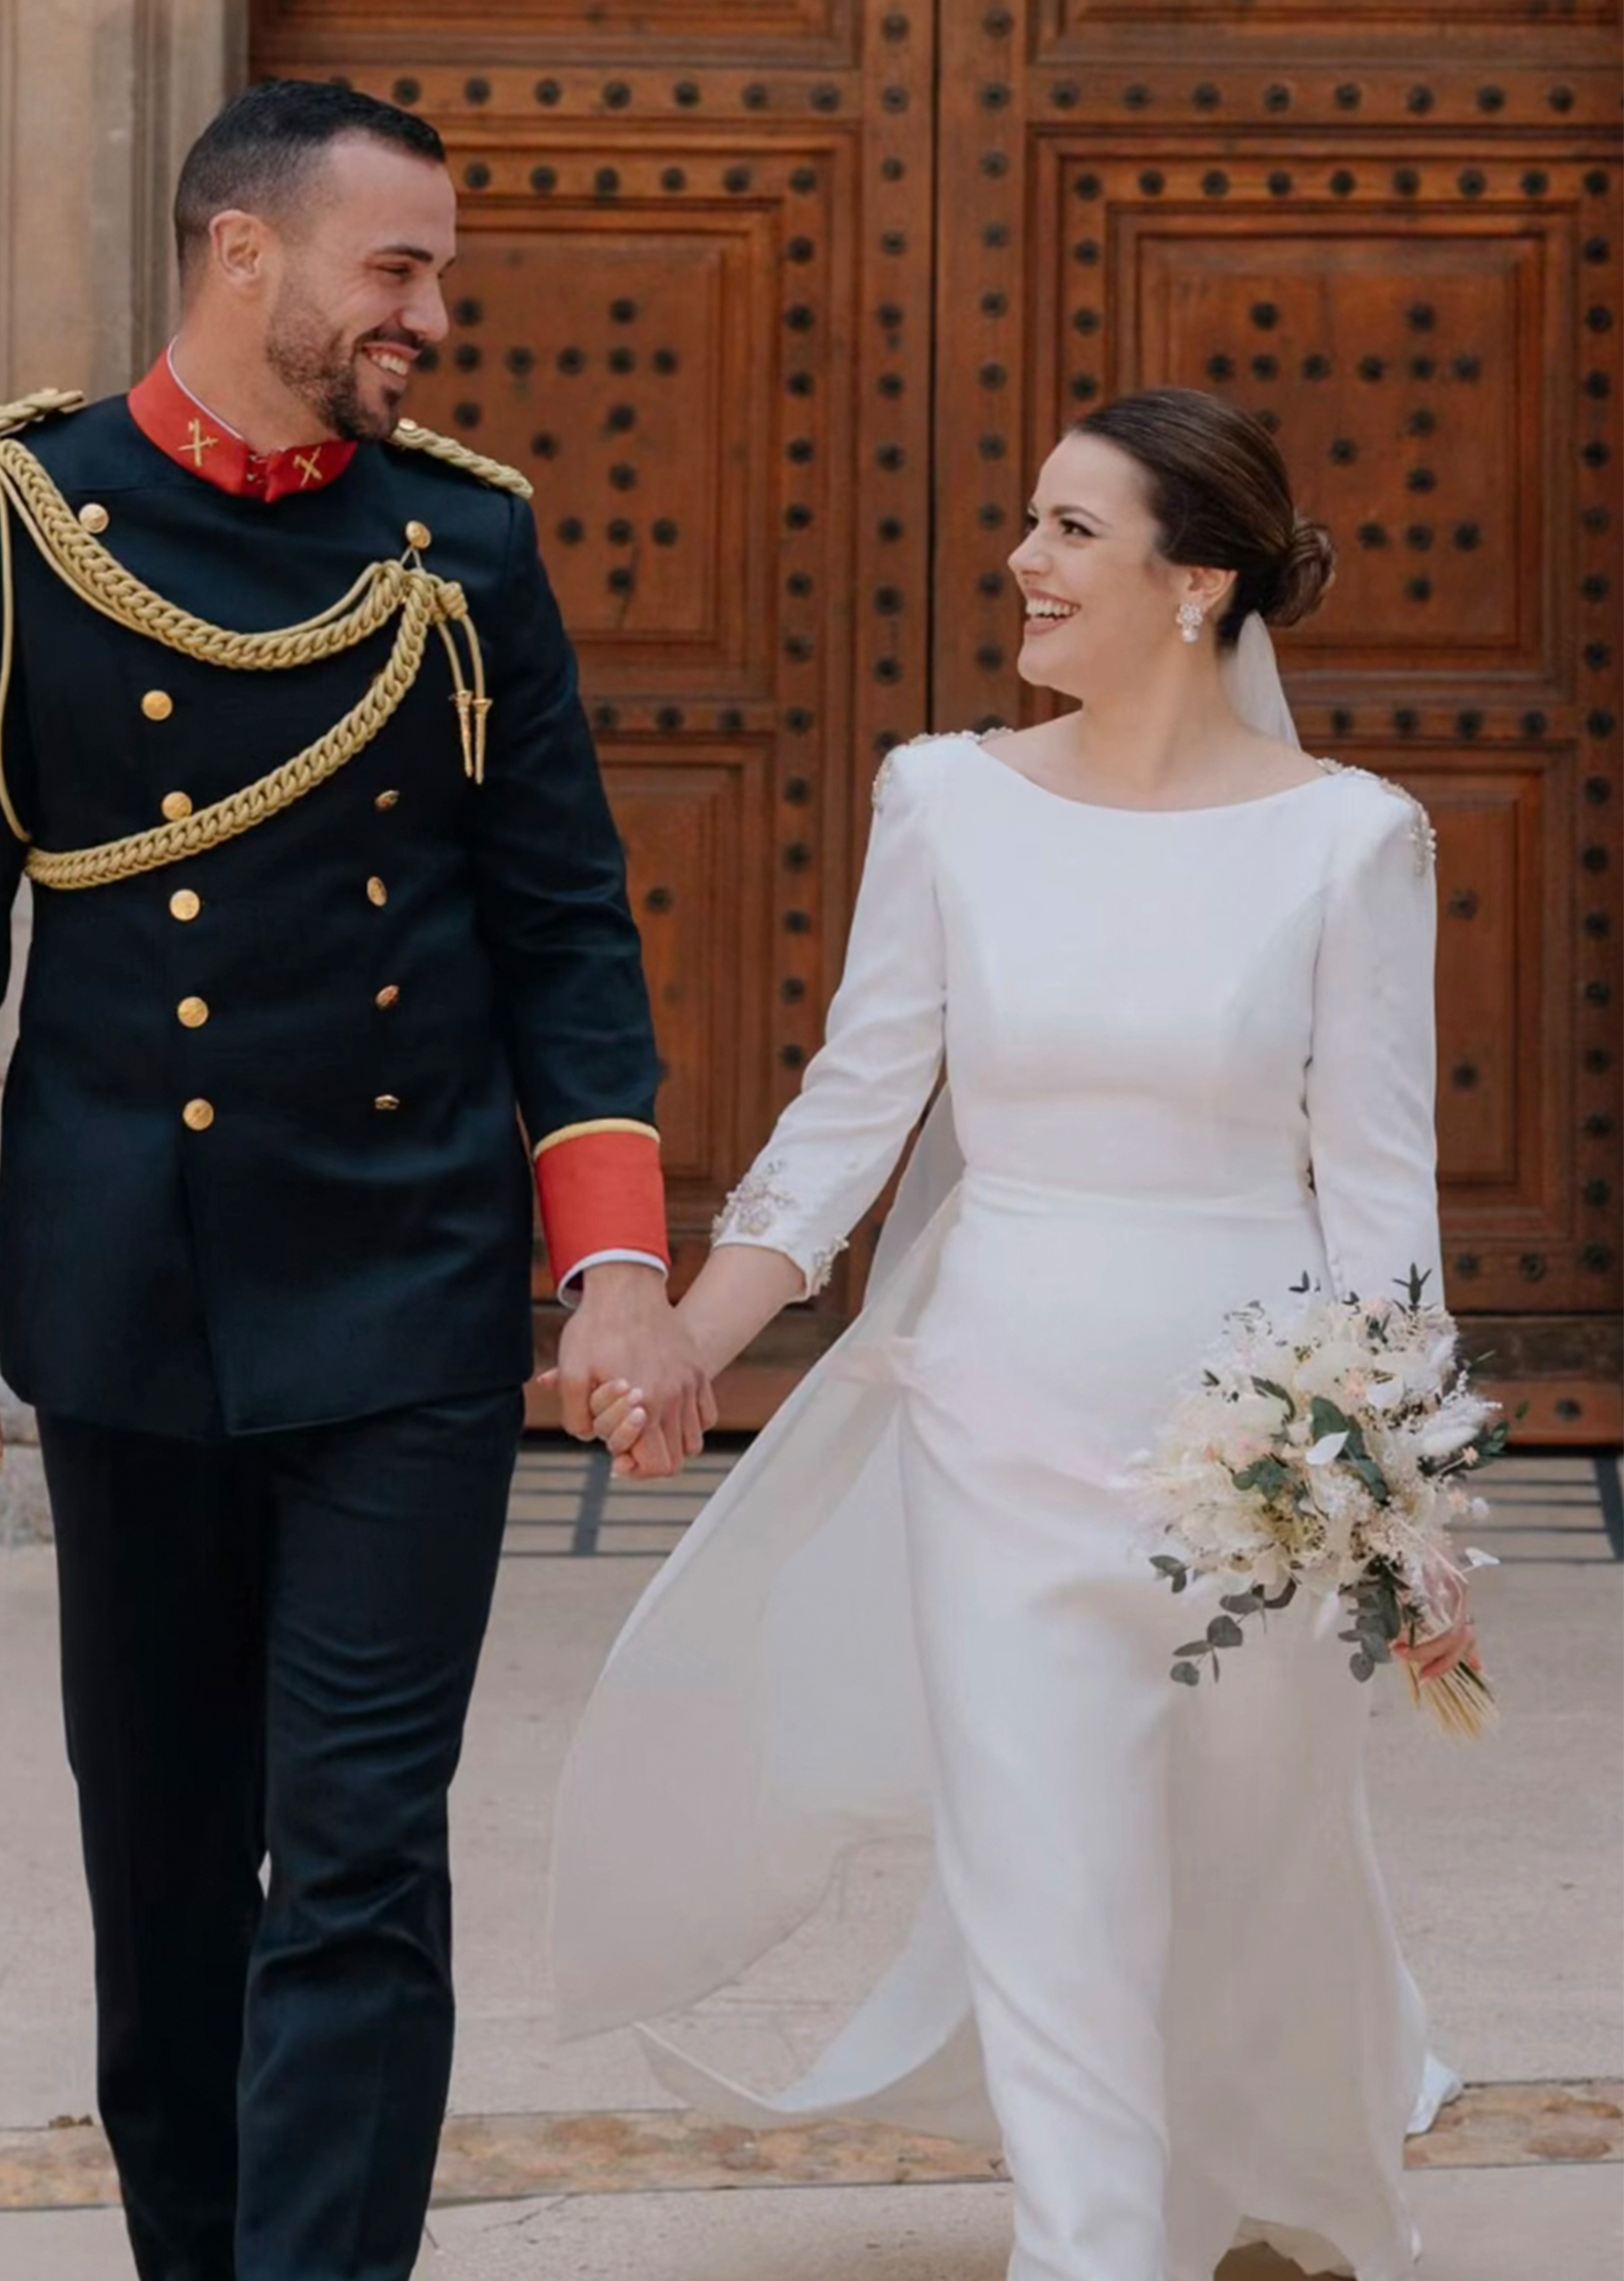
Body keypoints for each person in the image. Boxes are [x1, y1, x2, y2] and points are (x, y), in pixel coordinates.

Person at [0, 80, 709, 2281]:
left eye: (440, 276)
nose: (431, 315)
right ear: (247, 254)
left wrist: (612, 1263)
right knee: (162, 1859)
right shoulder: (24, 519)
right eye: (395, 269)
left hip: (409, 1279)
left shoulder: (464, 546)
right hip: (130, 1280)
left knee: (360, 1857)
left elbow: (564, 924)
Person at [553, 388, 1478, 2281]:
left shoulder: (1350, 842)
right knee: (1049, 1893)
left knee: (1247, 1884)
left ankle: (1247, 2188)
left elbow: (1384, 1202)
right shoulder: (947, 800)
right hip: (996, 1423)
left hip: (1262, 1459)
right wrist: (693, 1338)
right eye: (1031, 522)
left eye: (1070, 531)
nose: (1021, 561)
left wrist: (1405, 1490)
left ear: (1195, 583)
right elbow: (848, 1124)